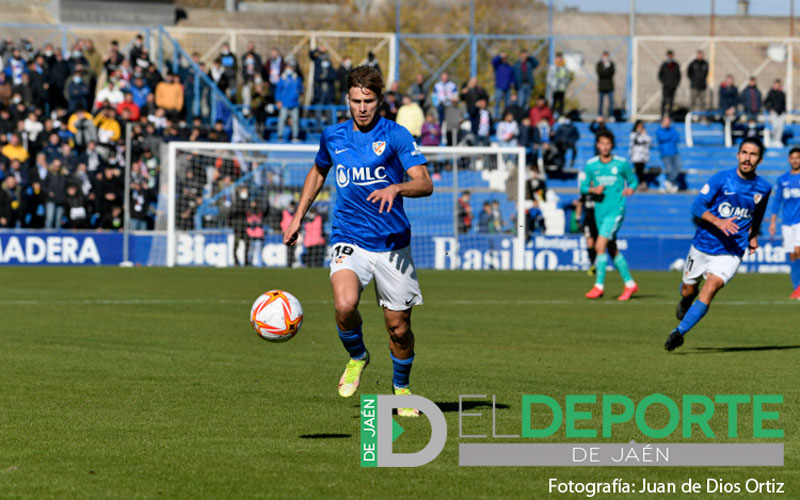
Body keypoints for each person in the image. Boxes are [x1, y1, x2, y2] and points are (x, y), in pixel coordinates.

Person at [282, 65, 432, 416]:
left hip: (392, 244)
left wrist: (396, 187)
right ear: (347, 100)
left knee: (399, 329)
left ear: (380, 100)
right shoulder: (333, 136)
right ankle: (357, 356)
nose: (361, 108)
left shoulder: (396, 136)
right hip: (349, 237)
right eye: (355, 101)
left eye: (368, 101)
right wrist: (297, 216)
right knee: (345, 304)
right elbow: (319, 170)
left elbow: (425, 183)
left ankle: (402, 389)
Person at [665, 137, 771, 351]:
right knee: (687, 289)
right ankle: (686, 301)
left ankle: (679, 332)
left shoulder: (764, 187)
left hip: (731, 251)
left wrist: (752, 235)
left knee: (711, 287)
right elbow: (697, 206)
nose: (747, 158)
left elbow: (758, 213)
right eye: (744, 153)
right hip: (703, 245)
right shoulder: (722, 179)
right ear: (738, 155)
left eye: (753, 155)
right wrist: (718, 221)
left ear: (759, 160)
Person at [581, 130, 639, 301]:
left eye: (608, 143)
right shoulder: (591, 165)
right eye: (601, 143)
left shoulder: (621, 164)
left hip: (616, 211)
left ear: (611, 145)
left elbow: (633, 180)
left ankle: (598, 286)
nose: (605, 147)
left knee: (599, 246)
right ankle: (630, 284)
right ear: (597, 145)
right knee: (612, 249)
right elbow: (583, 187)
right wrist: (592, 189)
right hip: (600, 211)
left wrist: (630, 189)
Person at [768, 148, 800, 299]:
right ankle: (796, 288)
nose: (795, 160)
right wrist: (773, 222)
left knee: (798, 250)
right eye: (792, 158)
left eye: (798, 158)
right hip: (787, 222)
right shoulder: (782, 179)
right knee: (792, 254)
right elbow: (777, 202)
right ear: (789, 159)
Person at [656, 116, 681, 192]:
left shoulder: (672, 130)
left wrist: (668, 137)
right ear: (663, 122)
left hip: (674, 152)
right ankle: (670, 184)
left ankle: (669, 182)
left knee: (678, 168)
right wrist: (669, 137)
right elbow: (662, 138)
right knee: (670, 169)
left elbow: (676, 138)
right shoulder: (659, 130)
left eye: (669, 121)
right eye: (667, 121)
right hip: (665, 153)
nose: (668, 123)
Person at [547, 52, 572, 117]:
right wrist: (552, 85)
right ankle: (551, 116)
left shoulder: (564, 68)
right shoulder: (553, 67)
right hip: (554, 88)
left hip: (562, 88)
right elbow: (549, 77)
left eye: (560, 58)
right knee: (553, 102)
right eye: (558, 58)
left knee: (561, 102)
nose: (559, 60)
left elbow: (567, 77)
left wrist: (565, 84)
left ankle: (561, 115)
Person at [491, 52, 515, 119]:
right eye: (503, 58)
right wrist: (500, 56)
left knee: (507, 104)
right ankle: (496, 116)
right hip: (499, 87)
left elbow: (512, 76)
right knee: (497, 102)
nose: (505, 59)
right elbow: (493, 61)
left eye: (506, 58)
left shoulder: (509, 67)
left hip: (508, 88)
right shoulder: (498, 65)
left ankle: (506, 116)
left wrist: (512, 82)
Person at [629, 120, 652, 189]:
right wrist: (639, 133)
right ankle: (641, 182)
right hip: (636, 155)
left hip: (643, 155)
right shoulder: (633, 133)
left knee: (641, 169)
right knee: (638, 169)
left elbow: (648, 141)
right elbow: (635, 140)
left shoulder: (644, 134)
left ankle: (642, 183)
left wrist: (644, 134)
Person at [658, 50, 680, 117]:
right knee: (664, 101)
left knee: (671, 101)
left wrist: (675, 83)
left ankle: (670, 116)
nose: (670, 57)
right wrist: (665, 82)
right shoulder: (664, 65)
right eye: (669, 55)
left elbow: (678, 75)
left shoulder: (675, 65)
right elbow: (660, 75)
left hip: (673, 87)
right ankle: (662, 115)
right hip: (666, 86)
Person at [764, 79, 786, 147]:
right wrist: (769, 108)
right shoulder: (771, 92)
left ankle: (778, 140)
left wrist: (784, 111)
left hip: (781, 112)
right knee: (775, 127)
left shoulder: (782, 93)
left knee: (780, 127)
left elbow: (783, 103)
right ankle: (773, 140)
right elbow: (765, 102)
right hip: (774, 112)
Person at [596, 51, 615, 119]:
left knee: (611, 102)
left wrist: (607, 67)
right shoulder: (599, 64)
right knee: (601, 102)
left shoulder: (611, 64)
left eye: (606, 56)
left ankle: (611, 115)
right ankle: (600, 115)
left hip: (609, 86)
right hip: (602, 86)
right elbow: (600, 73)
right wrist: (605, 69)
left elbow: (611, 73)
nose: (605, 58)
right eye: (604, 56)